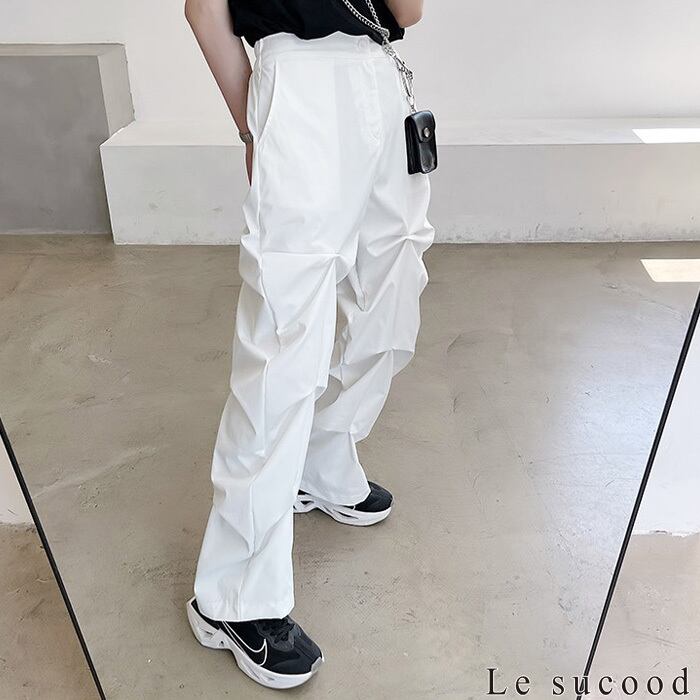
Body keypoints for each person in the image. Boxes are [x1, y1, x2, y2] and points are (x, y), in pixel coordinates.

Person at [184, 0, 433, 689]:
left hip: (378, 75)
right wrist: (254, 123)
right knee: (284, 332)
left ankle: (324, 458)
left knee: (392, 285)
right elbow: (204, 7)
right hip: (296, 83)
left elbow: (409, 10)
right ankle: (233, 595)